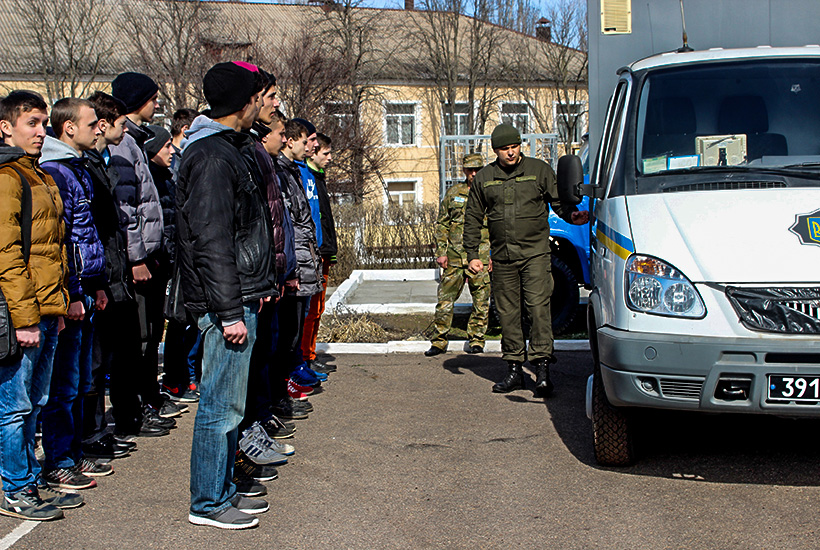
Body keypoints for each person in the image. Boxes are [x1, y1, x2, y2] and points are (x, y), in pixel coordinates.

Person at [177, 61, 277, 530]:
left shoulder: (230, 148)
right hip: (225, 305)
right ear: (244, 102)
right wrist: (230, 311)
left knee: (231, 405)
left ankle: (223, 489)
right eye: (258, 97)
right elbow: (212, 239)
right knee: (219, 405)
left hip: (238, 295)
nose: (262, 105)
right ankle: (208, 503)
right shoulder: (213, 157)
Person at [463, 124, 589, 396]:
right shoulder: (485, 178)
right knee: (508, 313)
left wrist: (572, 215)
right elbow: (472, 217)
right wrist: (472, 255)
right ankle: (514, 371)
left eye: (514, 147)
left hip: (535, 254)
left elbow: (559, 202)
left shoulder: (538, 170)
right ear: (496, 150)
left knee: (538, 309)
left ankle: (542, 371)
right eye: (504, 149)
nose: (510, 152)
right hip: (503, 257)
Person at [0, 90, 76, 520]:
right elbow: (7, 254)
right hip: (22, 315)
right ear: (6, 127)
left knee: (36, 400)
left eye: (44, 123)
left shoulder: (39, 174)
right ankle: (15, 488)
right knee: (14, 406)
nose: (41, 131)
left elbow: (55, 250)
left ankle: (28, 480)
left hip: (46, 310)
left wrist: (58, 306)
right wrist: (25, 318)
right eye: (32, 123)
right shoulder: (8, 177)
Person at [83, 91, 167, 446]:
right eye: (120, 124)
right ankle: (100, 428)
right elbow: (125, 211)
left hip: (120, 263)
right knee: (106, 354)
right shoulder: (98, 160)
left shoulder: (115, 152)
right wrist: (136, 258)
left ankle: (126, 414)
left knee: (129, 345)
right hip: (112, 267)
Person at [39, 98, 113, 491]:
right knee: (63, 386)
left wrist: (96, 285)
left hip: (85, 289)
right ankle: (58, 460)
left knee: (79, 381)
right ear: (68, 127)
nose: (99, 128)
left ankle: (72, 451)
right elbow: (62, 239)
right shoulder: (56, 170)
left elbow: (88, 234)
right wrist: (70, 293)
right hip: (70, 295)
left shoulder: (77, 167)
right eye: (91, 122)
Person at [110, 72, 175, 428]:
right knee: (136, 338)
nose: (157, 104)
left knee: (149, 334)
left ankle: (146, 397)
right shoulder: (123, 143)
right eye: (152, 98)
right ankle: (131, 409)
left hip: (151, 255)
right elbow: (127, 207)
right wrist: (136, 257)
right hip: (137, 261)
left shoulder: (135, 139)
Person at [273, 119, 324, 419]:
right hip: (292, 265)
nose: (311, 147)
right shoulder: (280, 172)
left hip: (302, 262)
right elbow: (286, 226)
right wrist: (290, 269)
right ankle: (281, 391)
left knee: (294, 329)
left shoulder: (293, 171)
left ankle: (288, 383)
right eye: (306, 141)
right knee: (286, 333)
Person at [426, 153, 491, 357]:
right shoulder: (454, 193)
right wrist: (441, 253)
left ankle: (477, 340)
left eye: (477, 169)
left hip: (480, 256)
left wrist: (492, 256)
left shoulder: (489, 194)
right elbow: (442, 224)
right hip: (454, 256)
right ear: (464, 170)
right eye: (470, 170)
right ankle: (439, 341)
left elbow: (498, 227)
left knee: (481, 301)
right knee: (445, 301)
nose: (474, 174)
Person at [300, 132, 337, 374]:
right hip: (314, 253)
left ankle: (309, 354)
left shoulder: (319, 178)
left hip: (323, 251)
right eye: (326, 153)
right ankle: (305, 357)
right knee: (311, 310)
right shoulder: (307, 177)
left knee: (318, 309)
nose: (330, 158)